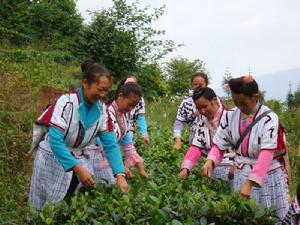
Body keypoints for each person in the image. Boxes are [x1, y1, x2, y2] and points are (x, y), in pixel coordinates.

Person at [28, 62, 128, 210]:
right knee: (44, 204)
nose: (103, 95)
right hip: (53, 157)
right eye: (100, 90)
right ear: (85, 84)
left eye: (106, 91)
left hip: (79, 157)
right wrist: (77, 168)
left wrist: (120, 175)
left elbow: (110, 144)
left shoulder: (102, 110)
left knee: (70, 204)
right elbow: (56, 141)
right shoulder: (66, 103)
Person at [201, 75, 289, 223]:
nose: (240, 107)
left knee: (270, 217)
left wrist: (250, 182)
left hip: (266, 176)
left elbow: (266, 154)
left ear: (255, 96)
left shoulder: (269, 118)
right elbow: (219, 143)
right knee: (246, 218)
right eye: (236, 103)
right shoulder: (230, 116)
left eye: (243, 103)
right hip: (241, 174)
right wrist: (210, 160)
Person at [178, 87, 235, 187]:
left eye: (205, 106)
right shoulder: (202, 122)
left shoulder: (231, 118)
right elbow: (196, 145)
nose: (202, 111)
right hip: (214, 169)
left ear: (214, 100)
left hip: (235, 170)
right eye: (198, 108)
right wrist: (186, 168)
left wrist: (237, 165)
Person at [107, 82, 148, 178]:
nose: (130, 109)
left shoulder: (124, 116)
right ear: (120, 96)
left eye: (133, 107)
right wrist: (120, 168)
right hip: (97, 156)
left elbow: (128, 145)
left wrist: (142, 171)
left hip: (109, 156)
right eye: (129, 105)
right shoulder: (107, 112)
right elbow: (105, 146)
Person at [173, 72, 209, 150]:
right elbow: (178, 122)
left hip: (214, 142)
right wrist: (178, 140)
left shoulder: (214, 100)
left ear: (207, 85)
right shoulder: (186, 103)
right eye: (195, 84)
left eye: (201, 84)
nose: (198, 87)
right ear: (191, 86)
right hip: (195, 142)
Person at [116, 75, 150, 145]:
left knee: (129, 149)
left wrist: (144, 134)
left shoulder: (140, 100)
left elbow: (141, 117)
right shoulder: (118, 97)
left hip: (129, 131)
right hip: (116, 130)